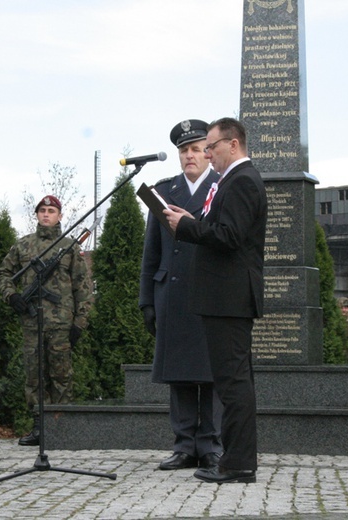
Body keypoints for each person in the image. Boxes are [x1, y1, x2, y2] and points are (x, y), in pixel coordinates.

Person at [163, 117, 267, 484]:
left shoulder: (241, 181)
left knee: (233, 385)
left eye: (211, 146)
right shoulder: (235, 181)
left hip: (229, 298)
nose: (207, 153)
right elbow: (223, 230)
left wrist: (187, 227)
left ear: (232, 144)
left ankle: (237, 464)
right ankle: (237, 461)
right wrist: (194, 220)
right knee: (232, 383)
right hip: (225, 297)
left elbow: (229, 236)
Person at [139, 119, 223, 471]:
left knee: (212, 373)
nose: (189, 156)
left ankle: (211, 445)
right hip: (171, 293)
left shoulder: (223, 187)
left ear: (208, 152)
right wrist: (146, 299)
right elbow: (152, 250)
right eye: (183, 151)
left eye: (196, 149)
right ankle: (184, 444)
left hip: (211, 291)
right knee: (180, 374)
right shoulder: (164, 191)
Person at [0, 195, 92, 446]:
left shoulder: (70, 246)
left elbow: (83, 287)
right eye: (42, 211)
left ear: (60, 216)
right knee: (34, 375)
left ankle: (61, 427)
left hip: (61, 323)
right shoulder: (23, 245)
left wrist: (80, 322)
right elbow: (4, 273)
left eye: (51, 211)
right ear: (36, 215)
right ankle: (39, 427)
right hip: (32, 321)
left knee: (61, 375)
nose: (46, 214)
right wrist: (12, 295)